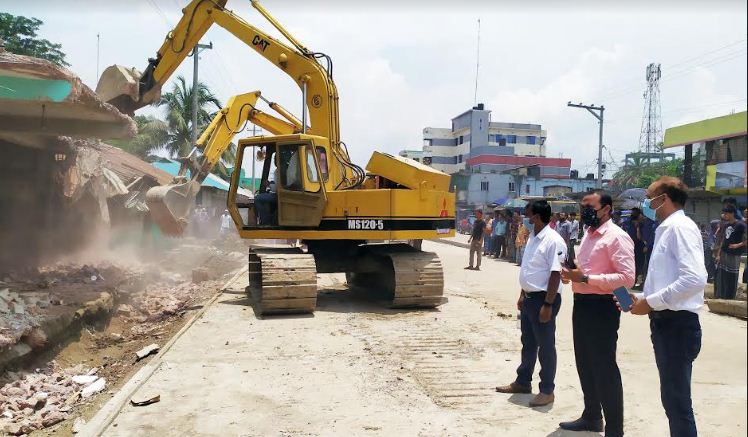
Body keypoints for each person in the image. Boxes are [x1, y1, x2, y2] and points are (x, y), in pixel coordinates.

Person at [621, 176, 707, 437]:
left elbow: (694, 278)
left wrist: (652, 302)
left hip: (677, 324)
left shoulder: (679, 228)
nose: (646, 203)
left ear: (664, 199)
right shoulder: (667, 228)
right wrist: (642, 300)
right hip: (666, 321)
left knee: (677, 402)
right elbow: (667, 277)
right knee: (672, 399)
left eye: (649, 198)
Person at [559, 192, 635, 437]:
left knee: (604, 368)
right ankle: (592, 416)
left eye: (589, 206)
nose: (585, 212)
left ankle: (615, 430)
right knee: (585, 364)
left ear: (606, 209)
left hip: (602, 307)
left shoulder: (617, 237)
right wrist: (574, 274)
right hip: (582, 303)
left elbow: (627, 278)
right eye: (582, 207)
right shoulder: (589, 236)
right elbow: (586, 271)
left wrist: (585, 278)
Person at [496, 200, 566, 408]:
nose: (525, 218)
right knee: (528, 342)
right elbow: (528, 269)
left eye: (527, 214)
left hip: (544, 299)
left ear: (536, 216)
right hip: (528, 297)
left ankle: (547, 390)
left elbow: (555, 274)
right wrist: (521, 293)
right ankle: (523, 381)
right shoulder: (533, 237)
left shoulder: (553, 240)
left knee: (545, 346)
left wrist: (548, 305)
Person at [715, 205, 746, 299]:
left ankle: (730, 297)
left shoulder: (740, 225)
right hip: (724, 253)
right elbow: (723, 240)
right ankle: (721, 296)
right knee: (722, 276)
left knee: (732, 276)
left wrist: (738, 245)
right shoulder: (726, 225)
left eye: (726, 213)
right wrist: (718, 254)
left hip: (734, 255)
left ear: (732, 213)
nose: (724, 215)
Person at [624, 208, 646, 289]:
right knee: (629, 264)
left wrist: (637, 227)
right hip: (629, 245)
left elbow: (640, 237)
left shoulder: (641, 224)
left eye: (634, 212)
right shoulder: (627, 223)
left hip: (638, 246)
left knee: (638, 264)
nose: (632, 213)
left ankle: (634, 282)